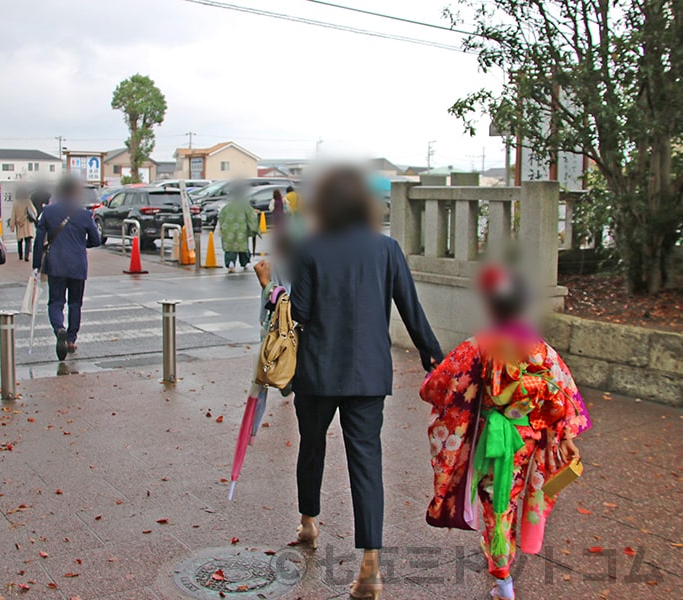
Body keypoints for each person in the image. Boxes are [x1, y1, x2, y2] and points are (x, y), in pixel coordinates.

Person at [254, 166, 442, 599]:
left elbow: (298, 313)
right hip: (369, 375)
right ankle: (371, 564)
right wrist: (439, 361)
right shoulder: (388, 249)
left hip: (317, 373)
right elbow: (413, 314)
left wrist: (271, 289)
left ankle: (308, 523)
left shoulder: (311, 248)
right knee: (366, 463)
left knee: (312, 446)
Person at [419, 265, 591, 600]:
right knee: (509, 498)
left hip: (491, 439)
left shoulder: (477, 346)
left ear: (491, 307)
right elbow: (565, 396)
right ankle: (503, 569)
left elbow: (435, 386)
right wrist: (565, 436)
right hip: (525, 441)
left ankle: (503, 580)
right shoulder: (541, 350)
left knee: (494, 506)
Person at [32, 175, 101, 360]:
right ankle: (71, 339)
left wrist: (36, 265)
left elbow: (39, 241)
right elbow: (96, 240)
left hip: (55, 264)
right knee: (75, 303)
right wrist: (79, 244)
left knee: (55, 302)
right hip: (77, 264)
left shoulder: (48, 212)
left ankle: (58, 328)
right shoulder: (85, 214)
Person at [218, 184, 260, 273]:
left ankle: (231, 264)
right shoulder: (244, 205)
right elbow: (252, 216)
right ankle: (245, 263)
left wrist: (222, 228)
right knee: (242, 247)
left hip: (228, 230)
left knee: (230, 248)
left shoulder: (226, 207)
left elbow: (221, 218)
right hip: (241, 230)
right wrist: (254, 230)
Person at [10, 188, 37, 261]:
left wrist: (12, 225)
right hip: (27, 222)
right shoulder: (28, 201)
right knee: (28, 240)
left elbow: (13, 215)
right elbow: (34, 211)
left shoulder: (16, 203)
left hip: (19, 224)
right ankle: (27, 256)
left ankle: (20, 255)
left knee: (19, 240)